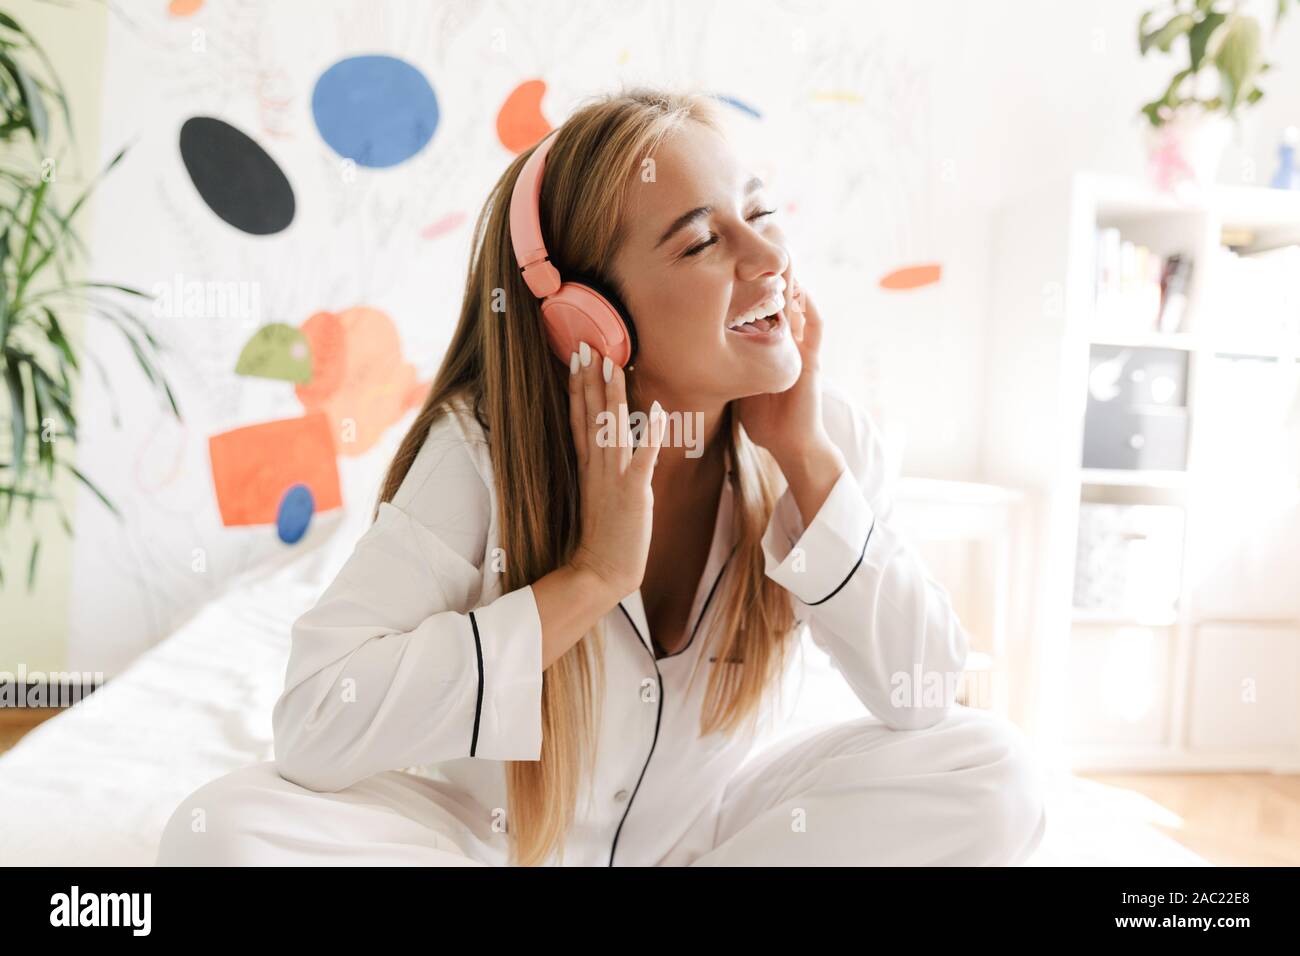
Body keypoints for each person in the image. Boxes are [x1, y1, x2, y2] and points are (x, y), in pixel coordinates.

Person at [157, 86, 1046, 867]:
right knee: (219, 835)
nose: (768, 260)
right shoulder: (481, 455)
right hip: (491, 846)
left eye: (761, 214)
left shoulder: (826, 435)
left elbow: (923, 692)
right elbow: (314, 723)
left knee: (994, 773)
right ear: (590, 323)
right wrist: (591, 578)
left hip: (704, 843)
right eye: (701, 243)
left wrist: (806, 463)